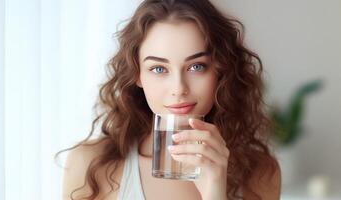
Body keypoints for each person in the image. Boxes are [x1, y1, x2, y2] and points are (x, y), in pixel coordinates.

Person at [60, 0, 281, 199]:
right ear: (137, 74)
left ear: (220, 70)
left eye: (196, 66)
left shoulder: (260, 172)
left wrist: (215, 191)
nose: (179, 89)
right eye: (158, 68)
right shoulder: (89, 165)